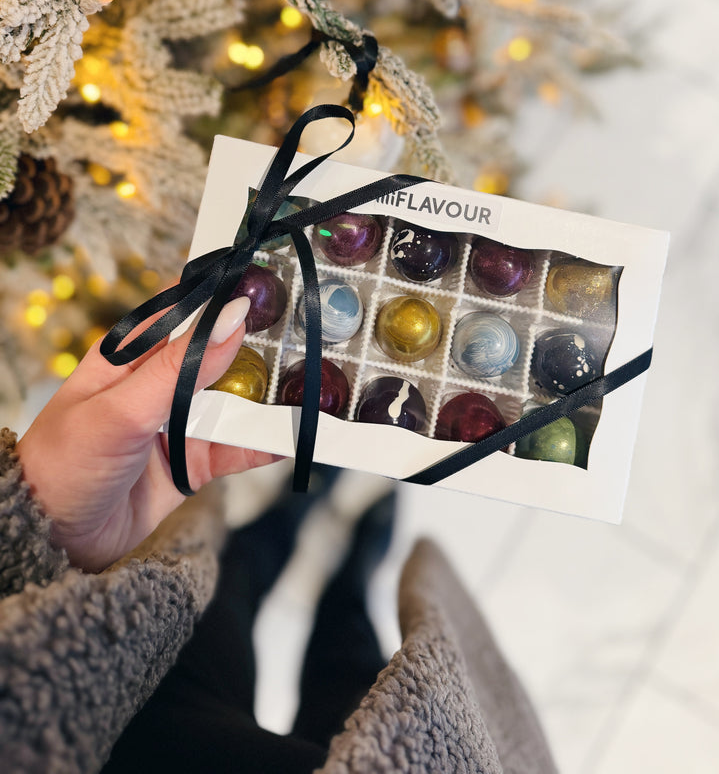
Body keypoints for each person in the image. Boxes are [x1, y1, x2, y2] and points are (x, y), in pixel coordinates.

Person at [1, 297, 559, 773]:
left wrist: (36, 527)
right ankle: (352, 573)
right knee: (354, 659)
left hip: (116, 722)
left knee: (228, 584)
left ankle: (290, 517)